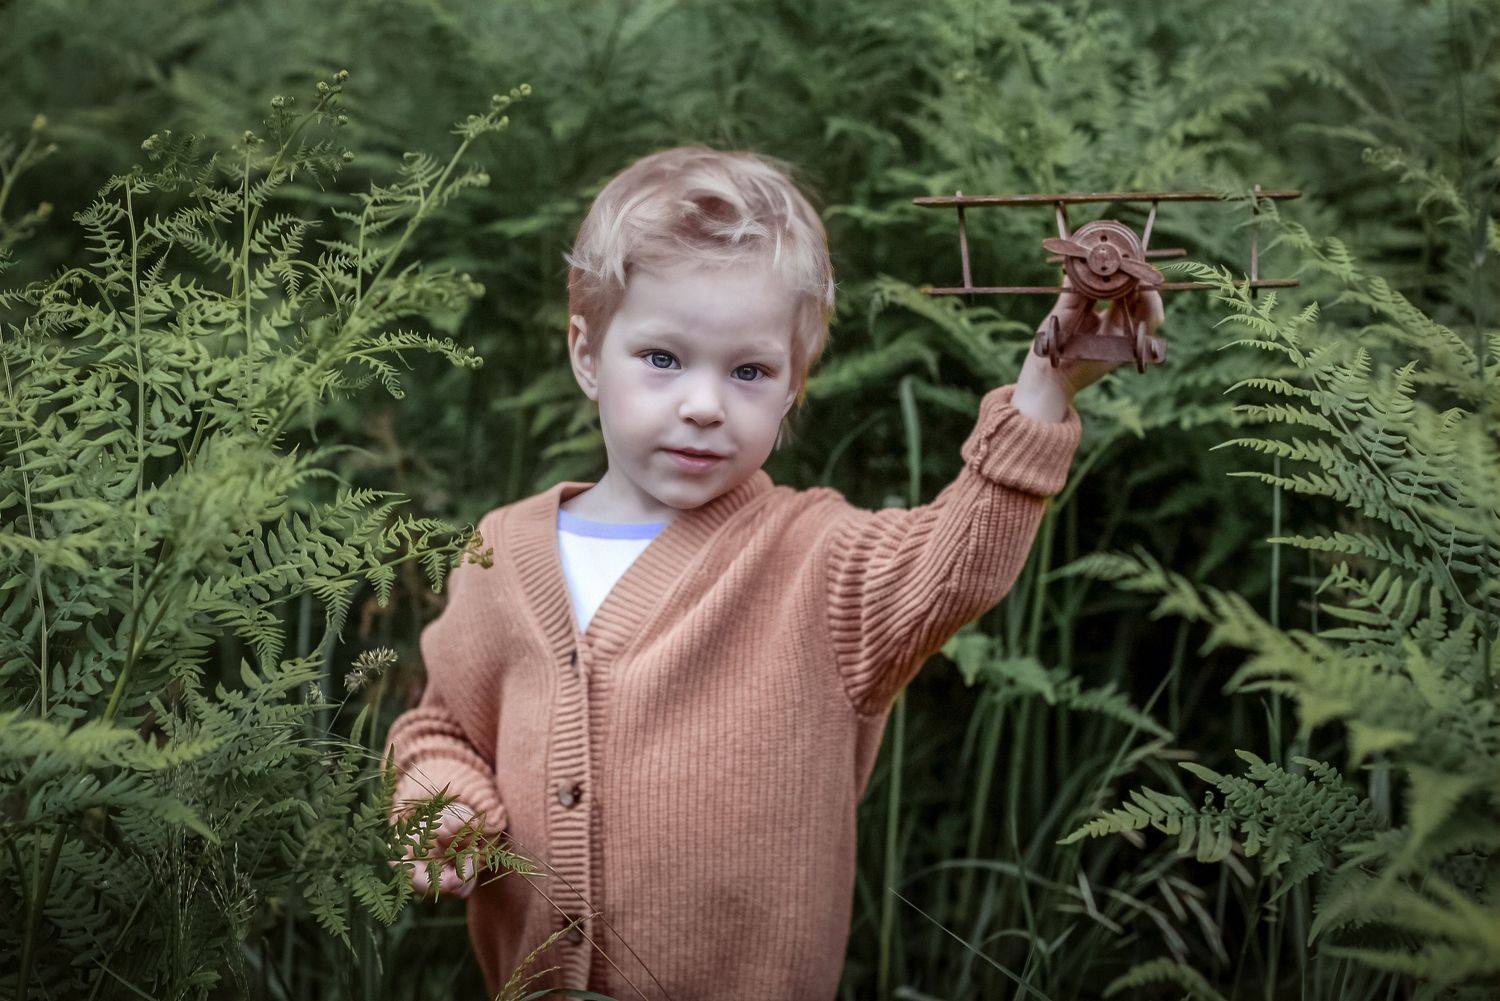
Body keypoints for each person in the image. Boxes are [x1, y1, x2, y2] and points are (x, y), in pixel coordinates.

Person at [382, 145, 1164, 1000]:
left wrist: (1046, 384)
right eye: (663, 359)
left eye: (749, 371)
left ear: (794, 385)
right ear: (586, 352)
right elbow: (441, 728)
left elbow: (953, 563)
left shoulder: (819, 562)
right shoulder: (503, 555)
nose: (705, 404)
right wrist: (441, 799)